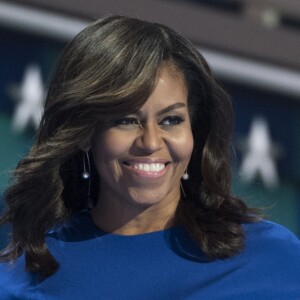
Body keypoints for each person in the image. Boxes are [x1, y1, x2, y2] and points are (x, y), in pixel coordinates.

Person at [0, 15, 299, 300]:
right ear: (85, 134)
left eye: (171, 120)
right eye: (126, 120)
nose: (151, 142)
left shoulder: (272, 259)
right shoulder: (26, 277)